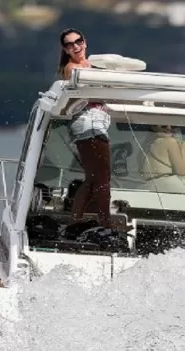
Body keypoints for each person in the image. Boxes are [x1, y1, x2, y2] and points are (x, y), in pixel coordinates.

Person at [58, 28, 113, 229]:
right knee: (103, 176)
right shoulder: (72, 69)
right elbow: (92, 89)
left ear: (85, 42)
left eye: (78, 41)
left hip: (96, 120)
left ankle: (75, 221)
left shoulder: (91, 66)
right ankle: (106, 224)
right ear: (65, 50)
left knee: (92, 178)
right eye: (69, 44)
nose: (75, 46)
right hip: (87, 121)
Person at [139, 125, 185, 195]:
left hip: (149, 186)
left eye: (173, 126)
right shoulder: (170, 141)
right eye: (164, 126)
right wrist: (184, 149)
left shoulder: (144, 147)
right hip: (169, 186)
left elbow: (141, 172)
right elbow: (181, 171)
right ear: (154, 127)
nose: (169, 128)